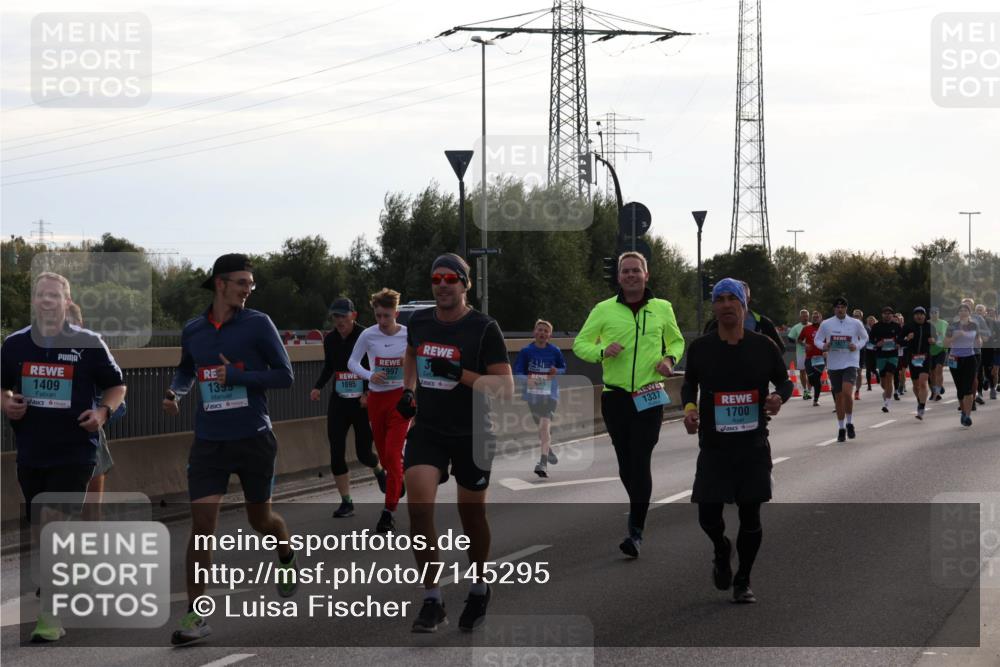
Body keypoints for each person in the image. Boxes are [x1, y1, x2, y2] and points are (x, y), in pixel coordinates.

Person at [163, 254, 297, 645]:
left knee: (262, 522)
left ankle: (285, 551)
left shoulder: (259, 324)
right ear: (219, 284)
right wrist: (176, 391)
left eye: (250, 283)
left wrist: (237, 375)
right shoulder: (193, 330)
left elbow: (285, 376)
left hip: (254, 437)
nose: (248, 289)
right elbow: (188, 369)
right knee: (203, 528)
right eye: (241, 282)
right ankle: (195, 616)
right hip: (209, 441)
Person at [2, 272, 127, 642]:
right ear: (34, 301)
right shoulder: (14, 344)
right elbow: (2, 386)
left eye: (54, 295)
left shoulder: (89, 343)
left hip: (75, 451)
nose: (46, 301)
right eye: (41, 295)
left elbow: (117, 386)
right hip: (31, 451)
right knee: (42, 528)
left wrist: (102, 413)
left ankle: (49, 617)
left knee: (55, 523)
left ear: (65, 302)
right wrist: (7, 402)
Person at [398, 253, 513, 633]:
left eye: (451, 278)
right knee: (417, 509)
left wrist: (458, 374)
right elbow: (411, 352)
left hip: (473, 432)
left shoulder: (484, 328)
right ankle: (432, 599)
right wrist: (409, 389)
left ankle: (479, 585)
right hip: (429, 429)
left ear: (465, 284)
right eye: (436, 278)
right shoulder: (419, 321)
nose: (443, 284)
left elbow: (504, 389)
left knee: (472, 516)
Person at [682, 278, 793, 604]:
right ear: (714, 307)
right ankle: (720, 548)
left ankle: (743, 579)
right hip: (715, 447)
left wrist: (778, 398)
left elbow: (785, 383)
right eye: (721, 299)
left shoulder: (763, 346)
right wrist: (690, 410)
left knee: (751, 517)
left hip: (753, 445)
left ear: (744, 307)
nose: (727, 304)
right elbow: (689, 386)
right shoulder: (702, 348)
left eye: (733, 299)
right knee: (708, 517)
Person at [573, 251, 685, 558]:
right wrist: (601, 351)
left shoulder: (662, 308)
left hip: (650, 393)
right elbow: (581, 343)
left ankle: (636, 530)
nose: (631, 275)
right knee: (626, 463)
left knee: (641, 454)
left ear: (646, 275)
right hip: (616, 396)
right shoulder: (603, 310)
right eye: (626, 271)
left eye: (636, 270)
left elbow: (676, 341)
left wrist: (669, 358)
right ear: (619, 277)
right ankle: (639, 508)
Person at [311, 297, 385, 519]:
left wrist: (369, 392)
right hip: (339, 400)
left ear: (353, 316)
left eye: (343, 316)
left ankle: (379, 470)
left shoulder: (366, 336)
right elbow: (329, 366)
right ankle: (346, 502)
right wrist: (317, 387)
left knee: (364, 454)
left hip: (361, 403)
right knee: (336, 452)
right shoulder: (331, 339)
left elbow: (377, 366)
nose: (339, 320)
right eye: (336, 317)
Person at [347, 288, 410, 533]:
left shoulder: (407, 335)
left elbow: (419, 360)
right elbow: (352, 362)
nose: (382, 321)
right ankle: (397, 479)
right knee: (384, 457)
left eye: (386, 315)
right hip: (376, 399)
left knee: (394, 454)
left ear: (396, 312)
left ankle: (388, 512)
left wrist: (408, 362)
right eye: (378, 316)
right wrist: (370, 374)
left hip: (400, 399)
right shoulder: (368, 335)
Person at [63, 302, 125, 517]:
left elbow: (119, 403)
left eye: (70, 325)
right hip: (48, 442)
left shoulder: (91, 354)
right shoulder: (39, 353)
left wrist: (100, 413)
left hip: (88, 439)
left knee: (90, 513)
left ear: (80, 325)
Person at [514, 319, 567, 478]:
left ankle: (542, 463)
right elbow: (518, 371)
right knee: (541, 428)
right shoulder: (526, 351)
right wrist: (529, 380)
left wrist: (555, 371)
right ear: (534, 332)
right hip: (533, 393)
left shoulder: (555, 350)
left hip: (550, 394)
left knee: (544, 426)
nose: (542, 333)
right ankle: (548, 450)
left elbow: (563, 368)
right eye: (540, 330)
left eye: (546, 331)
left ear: (550, 335)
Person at [813, 297, 868, 443]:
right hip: (834, 364)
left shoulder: (856, 323)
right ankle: (841, 428)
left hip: (850, 362)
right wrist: (823, 346)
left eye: (842, 307)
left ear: (846, 308)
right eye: (837, 307)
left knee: (847, 393)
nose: (840, 309)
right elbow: (817, 340)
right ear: (834, 309)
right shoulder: (826, 324)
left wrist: (856, 346)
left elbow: (865, 338)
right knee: (838, 398)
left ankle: (850, 422)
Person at [703, 281, 785, 352]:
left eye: (734, 298)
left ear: (748, 299)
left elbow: (779, 349)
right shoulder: (713, 325)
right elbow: (704, 350)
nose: (727, 304)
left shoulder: (763, 323)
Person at [945, 303, 983, 427]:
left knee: (967, 388)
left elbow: (978, 340)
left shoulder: (974, 325)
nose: (963, 312)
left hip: (970, 358)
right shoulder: (952, 326)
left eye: (965, 310)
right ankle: (963, 412)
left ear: (969, 313)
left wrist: (979, 342)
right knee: (960, 389)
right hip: (954, 359)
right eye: (960, 310)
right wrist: (954, 337)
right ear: (958, 313)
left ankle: (967, 415)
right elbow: (945, 343)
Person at [901, 307, 936, 420]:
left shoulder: (930, 326)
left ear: (925, 316)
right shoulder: (908, 326)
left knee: (923, 382)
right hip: (912, 358)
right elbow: (899, 340)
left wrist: (933, 340)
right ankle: (920, 400)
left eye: (921, 314)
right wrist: (907, 338)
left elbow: (937, 338)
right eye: (917, 314)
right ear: (913, 316)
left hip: (925, 357)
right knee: (915, 385)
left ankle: (921, 406)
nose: (919, 316)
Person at [870, 307, 903, 414]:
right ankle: (887, 392)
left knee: (889, 376)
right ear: (882, 315)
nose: (887, 315)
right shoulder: (876, 326)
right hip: (881, 356)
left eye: (889, 314)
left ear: (892, 315)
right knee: (884, 382)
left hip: (893, 355)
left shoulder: (897, 326)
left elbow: (902, 339)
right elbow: (870, 341)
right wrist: (876, 344)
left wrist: (899, 344)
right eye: (885, 313)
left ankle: (887, 404)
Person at [797, 310, 825, 406]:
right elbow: (799, 339)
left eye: (817, 317)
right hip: (809, 358)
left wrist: (826, 349)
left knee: (816, 379)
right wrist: (805, 345)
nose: (815, 318)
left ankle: (815, 400)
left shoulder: (824, 329)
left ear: (820, 318)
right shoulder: (806, 328)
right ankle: (812, 392)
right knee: (811, 379)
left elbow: (829, 340)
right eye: (814, 317)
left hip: (820, 358)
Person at [786, 309, 811, 401]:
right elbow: (790, 338)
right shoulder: (796, 327)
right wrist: (798, 341)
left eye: (806, 316)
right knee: (803, 371)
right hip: (801, 353)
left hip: (811, 353)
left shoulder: (812, 326)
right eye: (803, 316)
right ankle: (805, 391)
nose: (805, 317)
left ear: (809, 316)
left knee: (811, 373)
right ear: (800, 317)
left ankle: (809, 390)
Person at [929, 307, 949, 401]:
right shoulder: (927, 323)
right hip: (930, 351)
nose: (934, 314)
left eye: (936, 312)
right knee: (932, 373)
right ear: (929, 314)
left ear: (939, 313)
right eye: (932, 312)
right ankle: (934, 390)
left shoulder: (944, 323)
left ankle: (937, 393)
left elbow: (949, 335)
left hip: (941, 350)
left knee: (938, 369)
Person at [851, 309, 865, 400]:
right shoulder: (849, 326)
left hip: (861, 351)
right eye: (855, 315)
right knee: (851, 371)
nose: (856, 317)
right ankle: (849, 389)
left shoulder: (864, 327)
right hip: (850, 351)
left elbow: (867, 339)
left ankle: (857, 391)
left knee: (859, 372)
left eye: (858, 316)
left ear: (861, 317)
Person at [864, 315, 878, 392]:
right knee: (868, 368)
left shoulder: (877, 328)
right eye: (869, 321)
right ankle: (869, 385)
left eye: (871, 320)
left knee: (874, 367)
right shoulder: (865, 328)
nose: (870, 322)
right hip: (867, 350)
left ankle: (877, 374)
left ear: (874, 321)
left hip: (875, 350)